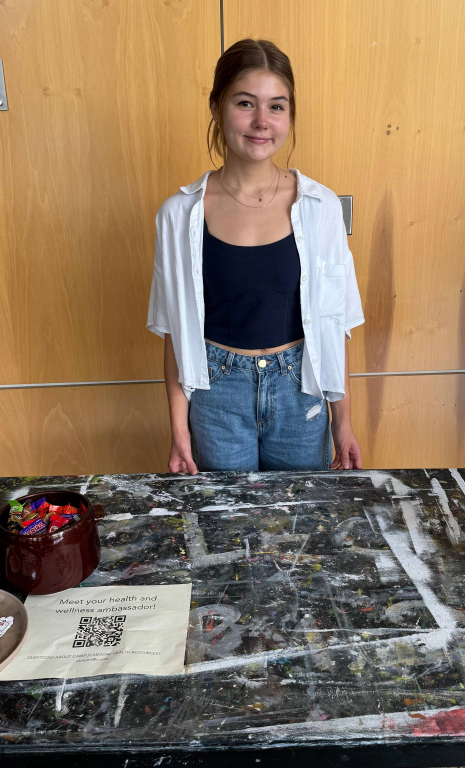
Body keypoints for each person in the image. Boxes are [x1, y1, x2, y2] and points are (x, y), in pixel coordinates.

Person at [147, 39, 365, 475]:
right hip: (216, 396)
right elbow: (175, 332)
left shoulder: (320, 208)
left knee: (301, 527)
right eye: (246, 103)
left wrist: (343, 424)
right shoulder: (179, 214)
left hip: (301, 393)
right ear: (217, 107)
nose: (261, 122)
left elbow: (334, 324)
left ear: (290, 115)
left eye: (277, 106)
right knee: (226, 530)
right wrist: (179, 431)